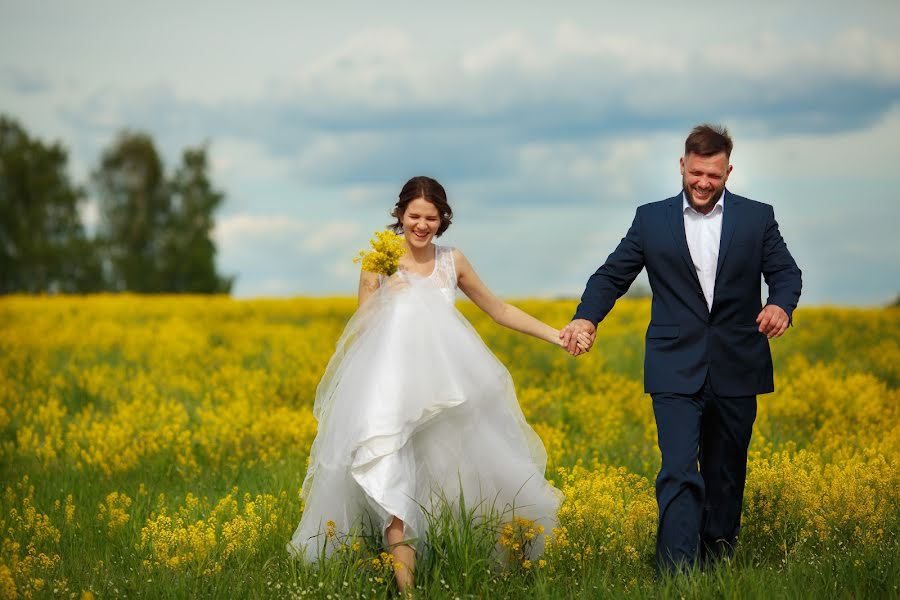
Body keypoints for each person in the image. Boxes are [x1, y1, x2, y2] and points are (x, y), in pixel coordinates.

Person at [288, 176, 586, 593]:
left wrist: (556, 335)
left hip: (448, 394)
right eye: (414, 216)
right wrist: (383, 286)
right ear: (400, 216)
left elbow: (498, 309)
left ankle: (469, 562)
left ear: (443, 219)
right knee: (394, 481)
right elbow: (364, 326)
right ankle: (407, 589)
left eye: (431, 217)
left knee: (455, 482)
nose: (422, 225)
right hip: (390, 393)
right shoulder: (379, 259)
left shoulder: (453, 261)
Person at [560, 124, 802, 574]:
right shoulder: (651, 219)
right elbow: (612, 276)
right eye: (696, 174)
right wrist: (586, 317)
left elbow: (786, 273)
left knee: (725, 474)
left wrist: (780, 306)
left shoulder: (757, 217)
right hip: (674, 365)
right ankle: (674, 572)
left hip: (737, 363)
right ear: (681, 166)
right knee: (677, 468)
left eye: (714, 175)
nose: (704, 184)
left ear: (729, 170)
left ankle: (716, 564)